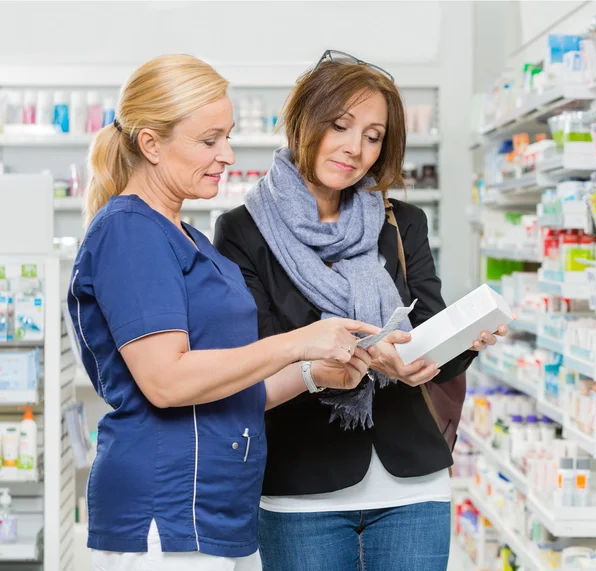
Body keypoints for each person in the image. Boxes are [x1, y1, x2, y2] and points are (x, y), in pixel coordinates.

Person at [67, 53, 378, 571]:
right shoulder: (130, 232)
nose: (227, 154)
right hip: (166, 507)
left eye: (227, 136)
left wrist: (313, 373)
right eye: (209, 140)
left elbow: (233, 389)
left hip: (214, 509)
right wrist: (299, 341)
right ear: (151, 143)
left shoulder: (187, 236)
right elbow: (167, 381)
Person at [214, 49, 508, 571]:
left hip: (413, 485)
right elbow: (254, 356)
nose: (355, 149)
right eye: (341, 126)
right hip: (301, 486)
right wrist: (372, 358)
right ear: (304, 120)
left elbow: (429, 332)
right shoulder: (242, 229)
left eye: (373, 136)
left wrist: (465, 339)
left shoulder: (401, 222)